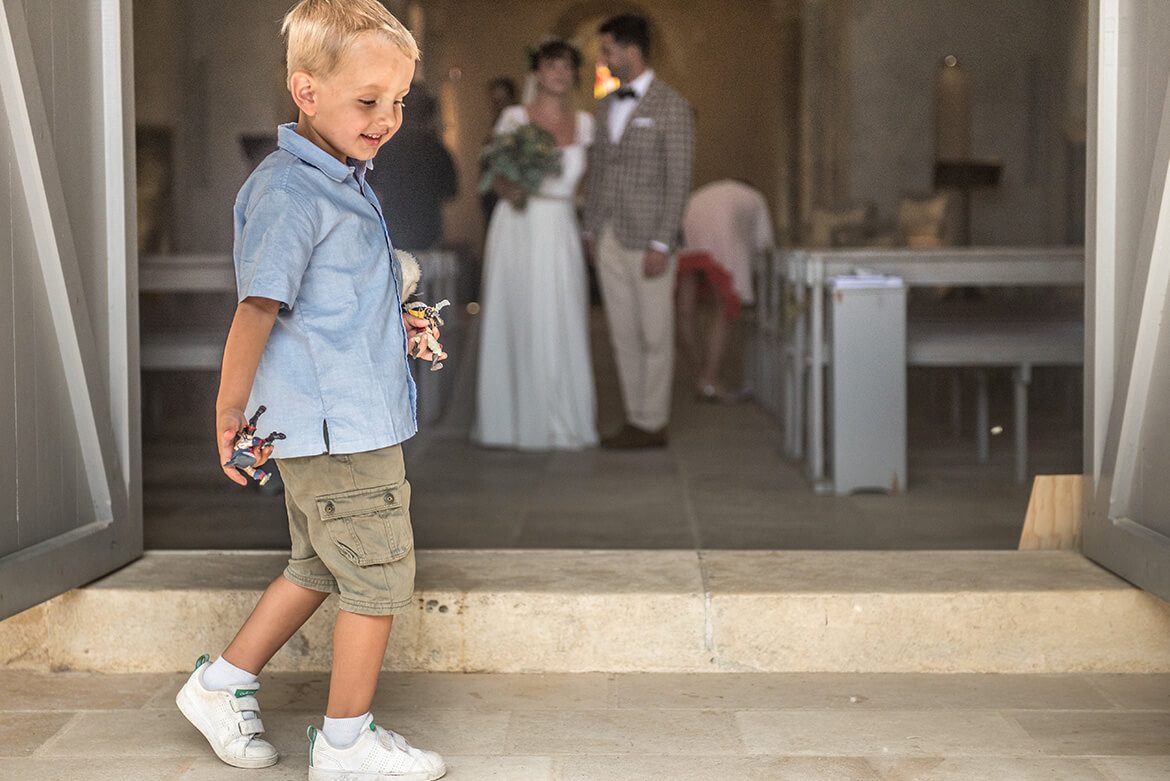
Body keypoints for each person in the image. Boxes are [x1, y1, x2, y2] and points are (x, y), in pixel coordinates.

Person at [174, 1, 446, 778]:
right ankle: (346, 742)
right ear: (306, 89)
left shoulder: (341, 179)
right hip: (338, 431)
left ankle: (219, 683)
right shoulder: (292, 191)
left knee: (320, 565)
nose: (387, 118)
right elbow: (259, 306)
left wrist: (403, 318)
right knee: (378, 574)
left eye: (398, 101)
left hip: (348, 419)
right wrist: (230, 411)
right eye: (369, 100)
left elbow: (334, 301)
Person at [473, 40, 599, 450]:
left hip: (560, 225)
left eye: (567, 66)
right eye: (551, 66)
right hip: (519, 225)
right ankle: (511, 420)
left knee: (562, 312)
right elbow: (497, 176)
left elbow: (592, 185)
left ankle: (563, 418)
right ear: (537, 73)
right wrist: (511, 185)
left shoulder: (585, 124)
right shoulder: (514, 117)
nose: (560, 73)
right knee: (521, 313)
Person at [583, 14, 694, 449]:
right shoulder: (606, 103)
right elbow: (599, 174)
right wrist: (591, 230)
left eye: (607, 50)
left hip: (650, 237)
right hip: (608, 234)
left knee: (654, 332)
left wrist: (663, 242)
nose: (603, 58)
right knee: (622, 332)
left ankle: (653, 421)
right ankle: (635, 417)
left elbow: (679, 179)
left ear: (632, 51)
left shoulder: (672, 105)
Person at [679, 179, 776, 401]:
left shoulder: (713, 190)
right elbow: (765, 247)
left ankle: (699, 375)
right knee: (725, 305)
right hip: (721, 229)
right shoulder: (756, 198)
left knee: (685, 309)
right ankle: (710, 377)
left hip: (685, 219)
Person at [367, 82, 457, 250]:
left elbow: (371, 188)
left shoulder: (382, 149)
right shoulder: (436, 150)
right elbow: (450, 191)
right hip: (428, 231)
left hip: (392, 229)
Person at [479, 76, 519, 224]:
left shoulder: (521, 135)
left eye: (503, 102)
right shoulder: (491, 135)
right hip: (491, 204)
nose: (499, 107)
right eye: (495, 102)